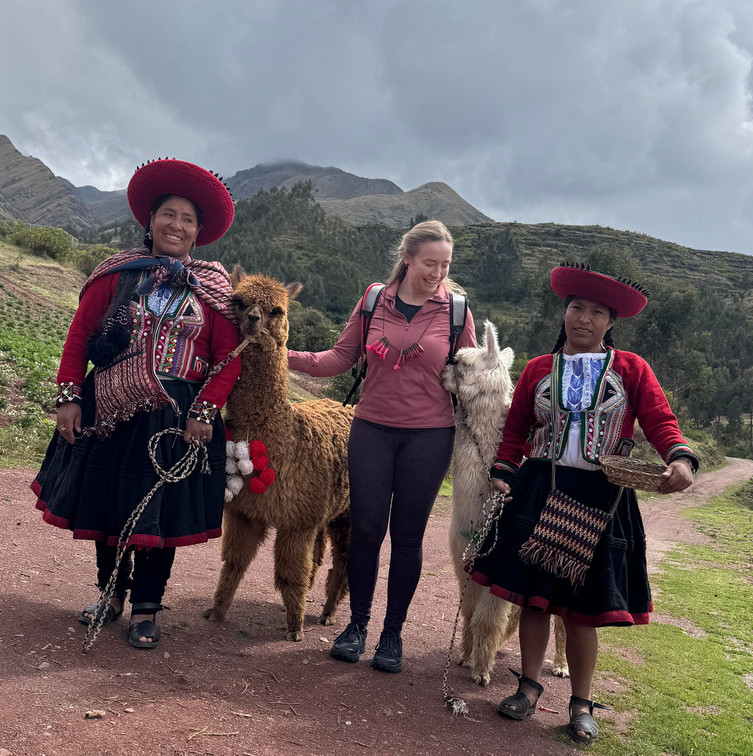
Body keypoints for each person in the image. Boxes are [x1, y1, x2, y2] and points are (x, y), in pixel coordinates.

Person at [469, 261, 697, 743]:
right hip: (539, 490)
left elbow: (660, 421)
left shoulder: (632, 370)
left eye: (596, 312)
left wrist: (679, 458)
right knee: (533, 600)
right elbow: (515, 434)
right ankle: (528, 688)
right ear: (564, 313)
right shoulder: (537, 370)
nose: (584, 319)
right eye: (576, 308)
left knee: (579, 611)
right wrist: (504, 473)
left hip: (602, 498)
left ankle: (579, 703)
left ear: (611, 322)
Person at [31, 158, 241, 650]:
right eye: (168, 214)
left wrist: (204, 410)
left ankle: (147, 607)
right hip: (111, 410)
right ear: (150, 221)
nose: (177, 225)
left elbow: (228, 359)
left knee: (159, 515)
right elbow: (80, 335)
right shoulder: (118, 275)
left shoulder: (212, 290)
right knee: (110, 507)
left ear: (199, 233)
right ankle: (109, 593)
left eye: (188, 219)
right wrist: (68, 397)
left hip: (177, 416)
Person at [288, 220, 476, 673]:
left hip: (430, 437)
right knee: (366, 531)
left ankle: (392, 634)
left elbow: (474, 375)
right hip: (371, 430)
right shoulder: (375, 300)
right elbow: (339, 358)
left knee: (407, 539)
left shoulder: (456, 311)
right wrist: (280, 353)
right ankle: (356, 626)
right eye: (430, 262)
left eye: (445, 265)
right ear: (408, 256)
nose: (437, 272)